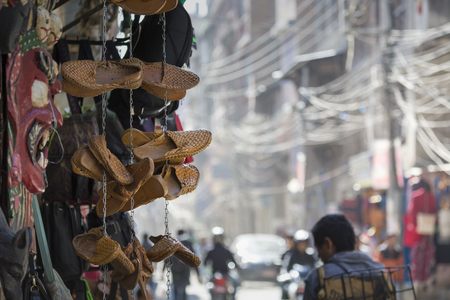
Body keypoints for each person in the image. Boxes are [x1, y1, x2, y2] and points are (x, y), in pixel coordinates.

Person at [304, 214, 385, 300]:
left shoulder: (317, 278)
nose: (319, 255)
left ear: (328, 243)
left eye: (319, 249)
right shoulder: (379, 274)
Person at [204, 227, 238, 299]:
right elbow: (234, 262)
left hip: (218, 274)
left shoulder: (211, 250)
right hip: (222, 274)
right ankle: (233, 297)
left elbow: (205, 262)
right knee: (235, 284)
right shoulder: (226, 250)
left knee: (209, 286)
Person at [169, 229, 200, 300]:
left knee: (176, 289)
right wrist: (198, 274)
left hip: (175, 270)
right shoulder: (188, 243)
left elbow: (168, 259)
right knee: (184, 290)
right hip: (185, 271)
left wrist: (163, 271)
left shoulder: (173, 242)